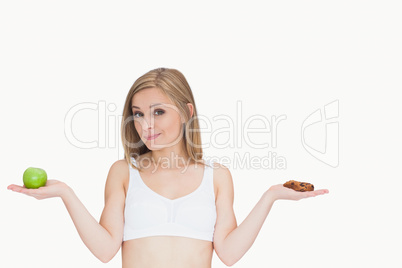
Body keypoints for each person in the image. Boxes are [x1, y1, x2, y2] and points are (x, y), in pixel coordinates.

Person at [7, 67, 329, 267]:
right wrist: (66, 193)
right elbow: (106, 250)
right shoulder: (124, 172)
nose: (146, 124)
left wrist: (270, 197)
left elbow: (228, 254)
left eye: (158, 112)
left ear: (187, 111)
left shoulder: (217, 176)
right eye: (138, 113)